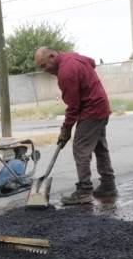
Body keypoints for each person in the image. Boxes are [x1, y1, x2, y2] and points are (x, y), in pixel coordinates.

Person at [34, 46, 115, 205]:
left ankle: (84, 190)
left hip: (91, 110)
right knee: (99, 146)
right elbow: (91, 62)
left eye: (44, 65)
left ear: (52, 56)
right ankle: (108, 184)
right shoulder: (73, 57)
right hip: (100, 107)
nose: (44, 70)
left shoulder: (66, 72)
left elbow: (73, 107)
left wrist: (66, 130)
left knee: (80, 148)